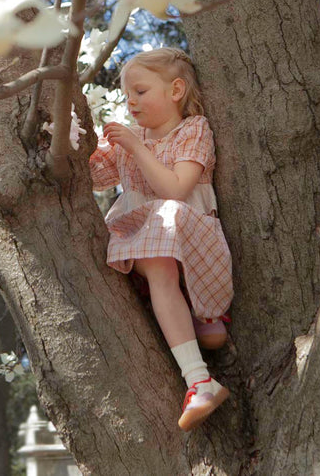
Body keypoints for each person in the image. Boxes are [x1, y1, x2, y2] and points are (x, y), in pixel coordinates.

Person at [88, 48, 233, 431]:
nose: (130, 102)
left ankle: (201, 357)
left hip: (186, 235)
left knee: (160, 229)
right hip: (149, 246)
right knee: (158, 266)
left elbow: (175, 190)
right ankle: (199, 369)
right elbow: (87, 177)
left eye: (139, 91)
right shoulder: (129, 137)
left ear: (175, 90)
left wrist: (135, 148)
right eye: (126, 95)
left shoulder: (192, 129)